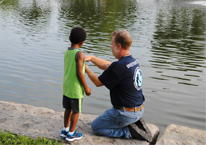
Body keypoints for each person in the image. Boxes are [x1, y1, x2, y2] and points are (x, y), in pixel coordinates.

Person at [85, 30, 150, 140]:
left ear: (118, 46)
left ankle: (128, 132)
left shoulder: (119, 67)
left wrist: (85, 68)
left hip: (126, 114)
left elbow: (97, 82)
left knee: (96, 126)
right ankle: (132, 122)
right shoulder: (131, 61)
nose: (111, 47)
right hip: (139, 110)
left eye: (112, 44)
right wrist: (92, 58)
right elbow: (108, 66)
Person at [60, 26, 91, 142]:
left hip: (67, 86)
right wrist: (86, 88)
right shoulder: (80, 54)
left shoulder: (68, 51)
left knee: (68, 109)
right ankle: (71, 134)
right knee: (76, 111)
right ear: (82, 42)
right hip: (75, 88)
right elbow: (79, 73)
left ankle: (65, 130)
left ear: (69, 38)